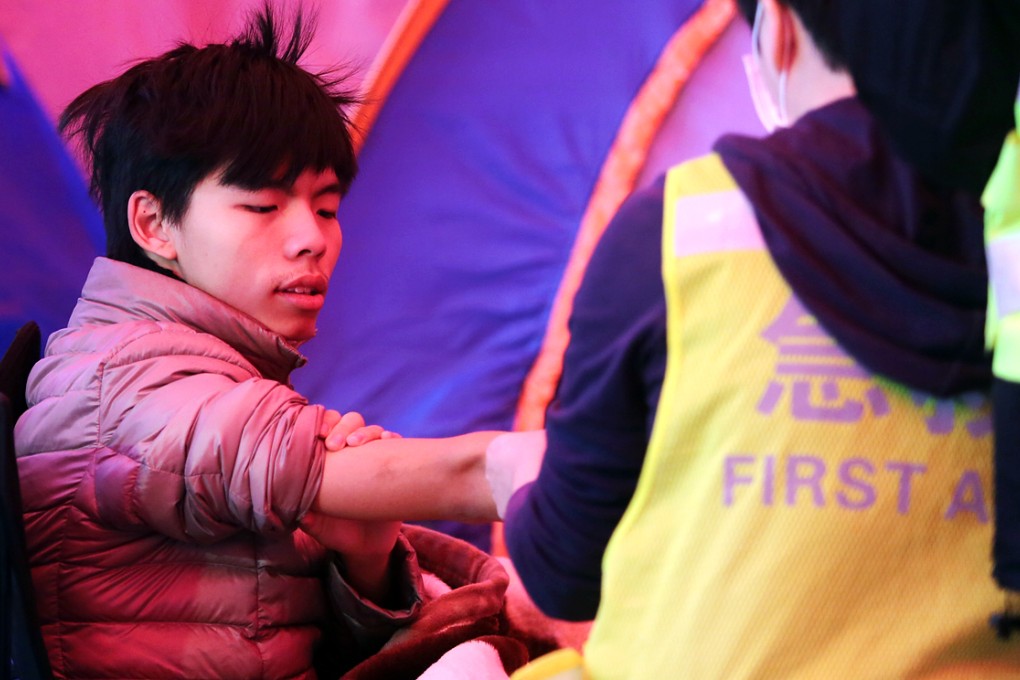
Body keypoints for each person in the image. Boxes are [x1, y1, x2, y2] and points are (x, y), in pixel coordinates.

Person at [503, 0, 1020, 676]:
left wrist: (513, 483)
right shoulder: (1003, 221)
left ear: (778, 28)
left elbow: (562, 571)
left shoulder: (673, 231)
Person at [13, 6, 518, 678]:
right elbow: (262, 445)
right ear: (154, 224)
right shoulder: (116, 379)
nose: (312, 238)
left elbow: (282, 635)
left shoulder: (220, 373)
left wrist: (365, 554)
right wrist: (555, 464)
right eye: (264, 206)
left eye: (328, 207)